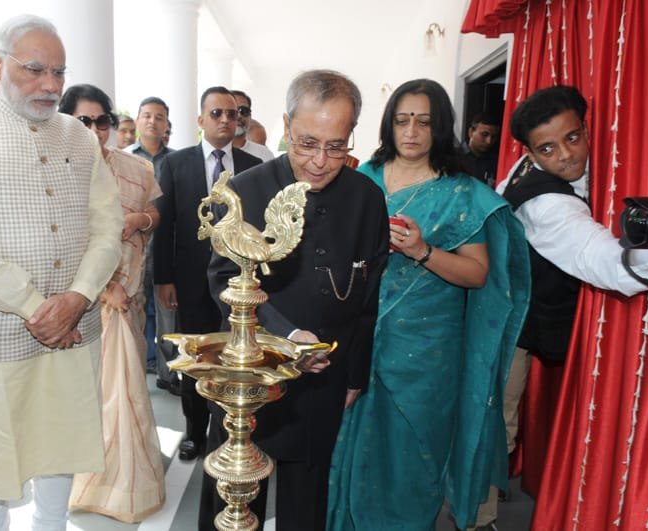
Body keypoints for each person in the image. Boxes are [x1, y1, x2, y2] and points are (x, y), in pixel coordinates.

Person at [0, 14, 122, 531]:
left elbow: (108, 225)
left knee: (59, 448)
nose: (51, 85)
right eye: (35, 70)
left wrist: (76, 298)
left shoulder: (79, 136)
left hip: (73, 332)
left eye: (58, 72)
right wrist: (36, 307)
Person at [327, 78, 530, 531]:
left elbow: (478, 274)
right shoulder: (362, 180)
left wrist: (423, 251)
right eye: (402, 121)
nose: (412, 131)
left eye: (424, 121)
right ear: (388, 125)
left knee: (413, 457)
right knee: (347, 449)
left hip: (427, 353)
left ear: (440, 127)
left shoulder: (461, 193)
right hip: (356, 338)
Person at [199, 70, 389, 531]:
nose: (321, 161)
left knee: (308, 498)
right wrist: (285, 336)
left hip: (325, 377)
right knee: (235, 498)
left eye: (336, 146)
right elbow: (223, 278)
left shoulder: (366, 196)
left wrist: (354, 375)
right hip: (251, 374)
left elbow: (368, 295)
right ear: (286, 126)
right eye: (307, 143)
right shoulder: (245, 190)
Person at [476, 85, 648, 525]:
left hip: (509, 312)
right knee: (498, 421)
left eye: (573, 138)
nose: (568, 155)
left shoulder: (522, 168)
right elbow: (607, 265)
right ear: (532, 154)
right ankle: (477, 517)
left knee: (495, 416)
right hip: (510, 323)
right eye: (549, 148)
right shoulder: (548, 203)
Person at [58, 83, 165, 522]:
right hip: (82, 306)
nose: (96, 129)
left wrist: (140, 219)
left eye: (102, 120)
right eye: (84, 120)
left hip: (132, 294)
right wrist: (104, 289)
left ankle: (129, 480)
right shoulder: (56, 173)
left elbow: (156, 213)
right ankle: (95, 484)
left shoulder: (136, 168)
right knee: (95, 398)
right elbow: (60, 243)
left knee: (131, 393)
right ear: (65, 121)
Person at [155, 86, 263, 462]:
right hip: (190, 282)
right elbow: (164, 223)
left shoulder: (253, 166)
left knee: (236, 361)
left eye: (232, 114)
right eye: (216, 113)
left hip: (239, 285)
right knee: (196, 361)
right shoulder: (175, 164)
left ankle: (228, 430)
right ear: (201, 120)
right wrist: (163, 279)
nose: (224, 120)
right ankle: (194, 432)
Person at [126, 96, 177, 393]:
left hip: (164, 248)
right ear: (137, 120)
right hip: (132, 245)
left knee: (167, 313)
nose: (152, 121)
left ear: (166, 124)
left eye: (159, 117)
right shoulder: (124, 157)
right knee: (134, 310)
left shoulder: (175, 161)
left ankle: (168, 375)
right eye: (146, 115)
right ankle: (137, 367)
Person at [231, 90, 274, 161]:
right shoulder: (213, 153)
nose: (239, 116)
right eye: (233, 111)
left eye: (244, 111)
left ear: (250, 116)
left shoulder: (264, 154)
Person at [461, 111, 500, 187]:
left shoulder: (495, 161)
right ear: (471, 132)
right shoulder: (454, 157)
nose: (489, 141)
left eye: (493, 137)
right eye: (484, 135)